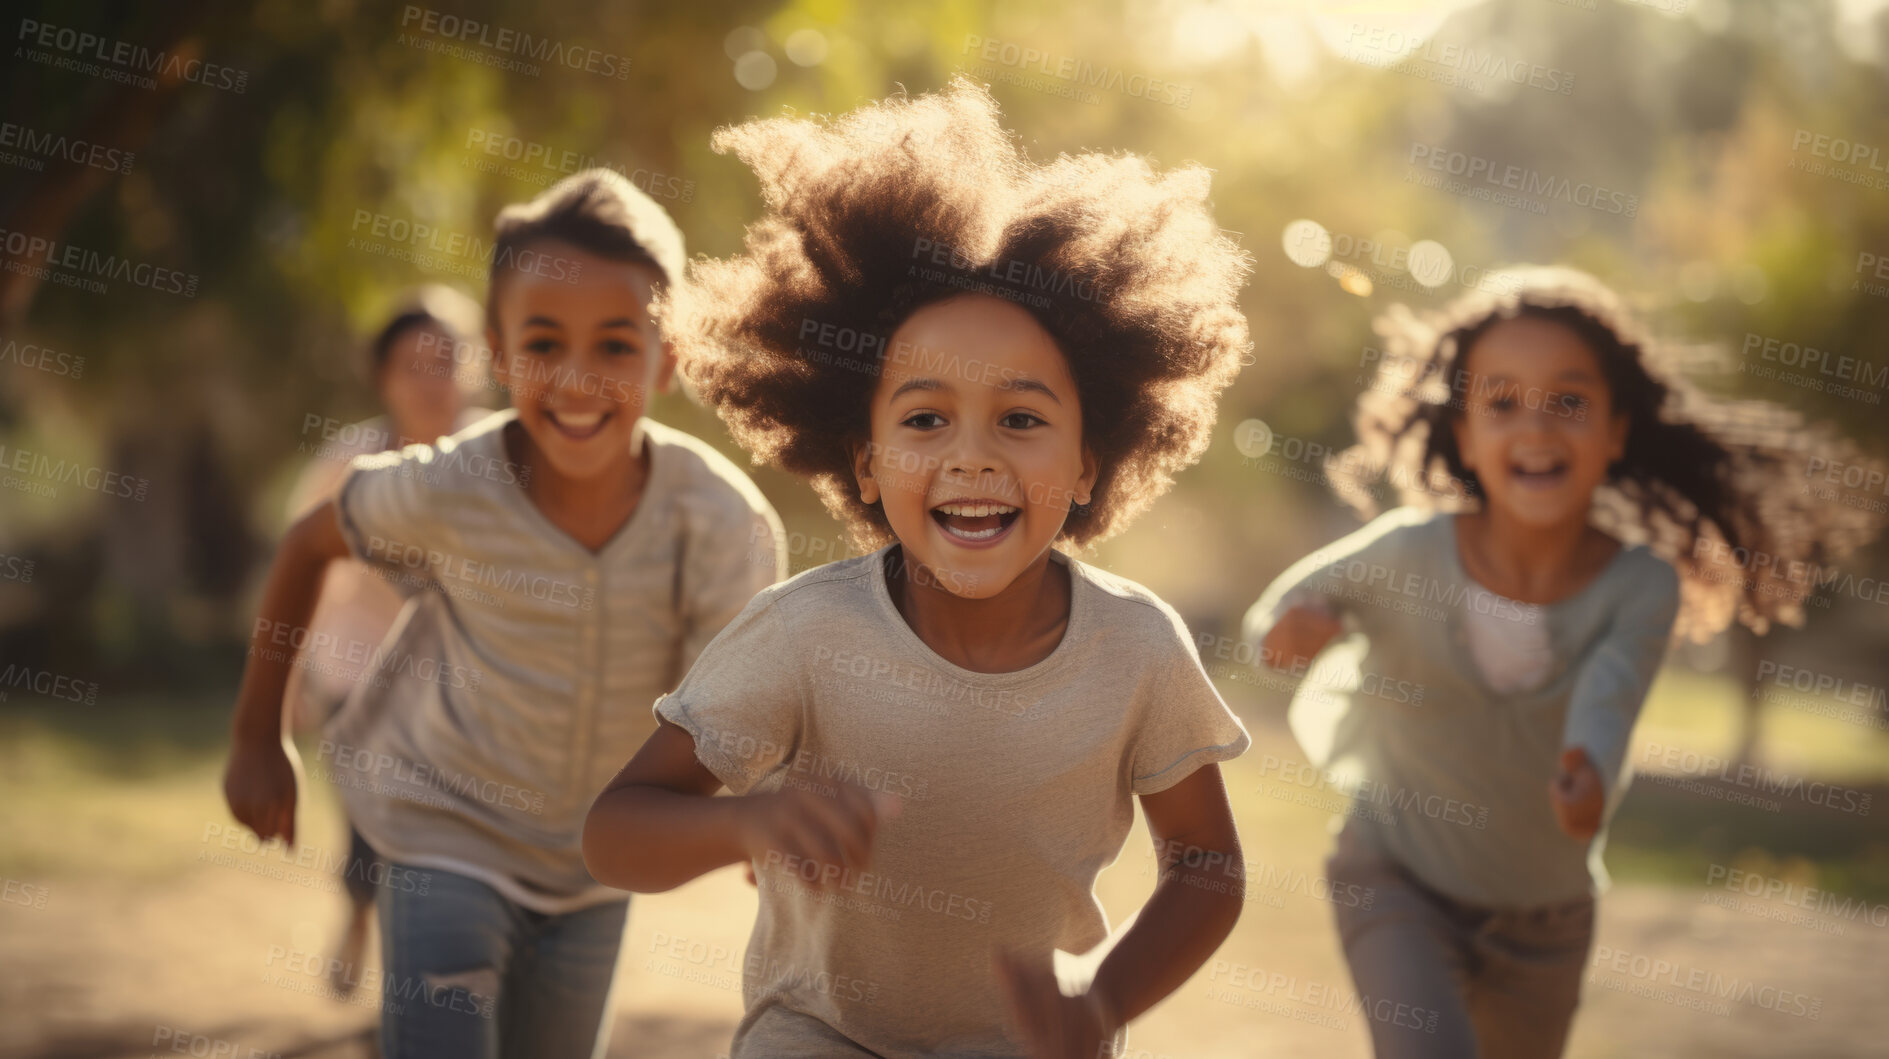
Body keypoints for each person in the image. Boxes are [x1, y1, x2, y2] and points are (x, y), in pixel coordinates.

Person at [582, 79, 1255, 1059]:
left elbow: (1205, 868)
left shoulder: (1136, 647)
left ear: (1087, 465)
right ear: (862, 461)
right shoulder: (802, 633)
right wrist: (752, 822)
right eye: (923, 419)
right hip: (813, 1030)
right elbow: (615, 835)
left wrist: (1099, 1007)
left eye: (1020, 420)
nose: (970, 457)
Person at [1243, 266, 1885, 1058]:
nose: (1537, 427)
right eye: (1502, 403)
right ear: (1464, 435)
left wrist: (1587, 776)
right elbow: (1278, 612)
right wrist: (1294, 630)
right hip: (1394, 870)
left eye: (1569, 402)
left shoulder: (1638, 584)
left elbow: (1609, 698)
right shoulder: (1409, 551)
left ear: (1615, 430)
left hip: (1544, 917)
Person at [222, 168, 785, 1059]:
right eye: (543, 342)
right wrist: (259, 735)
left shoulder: (715, 516)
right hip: (447, 825)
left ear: (667, 355)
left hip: (596, 860)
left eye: (614, 345)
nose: (575, 378)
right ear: (498, 346)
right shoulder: (453, 484)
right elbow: (304, 545)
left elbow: (742, 687)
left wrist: (764, 797)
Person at [280, 284, 486, 996]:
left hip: (465, 686)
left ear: (475, 366)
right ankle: (365, 918)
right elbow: (297, 571)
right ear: (382, 377)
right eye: (412, 363)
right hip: (355, 673)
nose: (432, 379)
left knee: (442, 836)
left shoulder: (503, 456)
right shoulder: (350, 463)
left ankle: (421, 967)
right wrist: (285, 692)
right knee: (377, 821)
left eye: (447, 359)